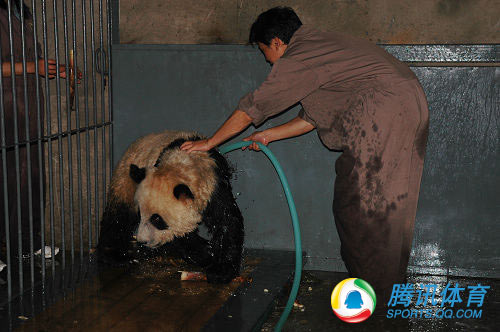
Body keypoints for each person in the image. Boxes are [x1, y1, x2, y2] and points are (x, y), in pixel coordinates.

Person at [181, 7, 429, 303]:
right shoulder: (320, 47)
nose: (268, 62)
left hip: (386, 112)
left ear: (276, 42)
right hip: (401, 105)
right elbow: (314, 116)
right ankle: (382, 288)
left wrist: (210, 143)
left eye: (264, 52)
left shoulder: (300, 56)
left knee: (364, 207)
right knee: (380, 205)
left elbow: (253, 107)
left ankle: (375, 294)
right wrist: (269, 135)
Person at [0, 0, 76, 272]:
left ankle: (27, 243)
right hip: (7, 109)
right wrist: (34, 68)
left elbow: (34, 61)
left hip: (28, 110)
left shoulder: (19, 13)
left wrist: (58, 71)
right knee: (8, 178)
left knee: (31, 177)